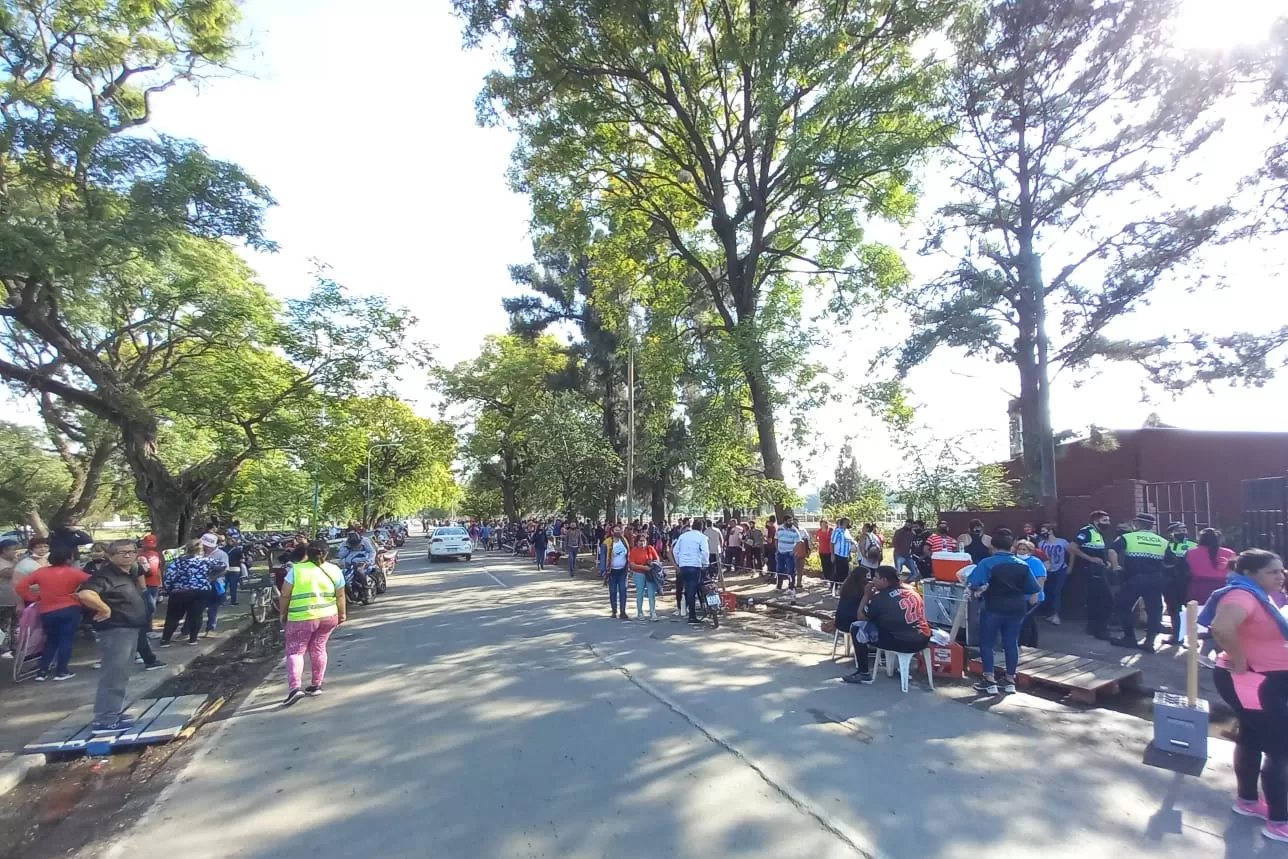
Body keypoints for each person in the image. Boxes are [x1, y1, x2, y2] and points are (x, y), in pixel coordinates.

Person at [1202, 549, 1288, 842]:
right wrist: (1239, 660)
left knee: (1251, 736)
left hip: (1263, 678)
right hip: (1254, 680)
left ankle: (1247, 802)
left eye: (1281, 570)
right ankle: (1279, 821)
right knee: (1280, 746)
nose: (1280, 576)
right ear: (1250, 574)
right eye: (1272, 572)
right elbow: (1221, 627)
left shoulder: (1259, 595)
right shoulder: (1242, 595)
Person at [75, 540, 150, 734]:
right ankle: (105, 720)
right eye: (122, 552)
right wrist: (104, 608)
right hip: (116, 630)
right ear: (110, 556)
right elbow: (85, 594)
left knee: (122, 673)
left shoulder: (129, 573)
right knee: (113, 674)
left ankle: (113, 712)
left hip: (130, 629)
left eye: (131, 552)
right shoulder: (106, 575)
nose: (127, 555)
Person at [967, 529, 1041, 696]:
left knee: (987, 643)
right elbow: (1033, 589)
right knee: (1011, 642)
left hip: (994, 607)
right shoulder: (1023, 564)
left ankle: (989, 680)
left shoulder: (988, 563)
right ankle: (1009, 680)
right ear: (1012, 547)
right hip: (1017, 608)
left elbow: (974, 582)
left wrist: (980, 589)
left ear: (992, 546)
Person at [280, 540, 347, 707]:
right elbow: (340, 596)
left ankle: (295, 688)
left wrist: (283, 613)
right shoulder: (335, 570)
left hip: (301, 618)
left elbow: (285, 595)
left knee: (296, 651)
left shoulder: (296, 570)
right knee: (318, 648)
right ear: (327, 553)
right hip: (328, 617)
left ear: (307, 553)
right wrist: (342, 614)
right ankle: (316, 684)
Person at [844, 566, 933, 685]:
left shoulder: (881, 598)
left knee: (857, 627)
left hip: (904, 642)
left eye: (876, 577)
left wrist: (866, 595)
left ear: (885, 580)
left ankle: (863, 672)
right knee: (893, 627)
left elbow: (861, 617)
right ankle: (896, 667)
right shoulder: (912, 589)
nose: (873, 580)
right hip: (923, 640)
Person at [15, 549, 90, 681]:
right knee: (66, 640)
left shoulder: (41, 572)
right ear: (68, 559)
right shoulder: (74, 572)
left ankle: (42, 671)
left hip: (47, 610)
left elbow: (20, 586)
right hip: (70, 608)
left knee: (51, 640)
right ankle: (61, 671)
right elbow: (94, 582)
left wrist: (34, 598)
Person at [1111, 513, 1168, 653]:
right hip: (1155, 580)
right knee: (1154, 611)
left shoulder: (1128, 537)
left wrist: (1115, 565)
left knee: (1123, 605)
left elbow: (1112, 549)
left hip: (1134, 579)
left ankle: (1129, 638)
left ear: (1137, 524)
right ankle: (1150, 642)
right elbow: (1171, 562)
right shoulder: (1162, 541)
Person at [1071, 510, 1116, 640]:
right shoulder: (1087, 531)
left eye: (1108, 520)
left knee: (1095, 601)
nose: (1108, 523)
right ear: (1096, 521)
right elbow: (1072, 547)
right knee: (1105, 600)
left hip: (1098, 570)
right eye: (1105, 520)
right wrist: (1091, 559)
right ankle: (1100, 628)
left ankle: (1094, 627)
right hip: (1090, 571)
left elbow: (1097, 553)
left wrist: (1104, 561)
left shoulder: (1098, 533)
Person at [160, 540, 214, 646]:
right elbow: (222, 565)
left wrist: (167, 589)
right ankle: (193, 639)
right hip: (200, 591)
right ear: (201, 550)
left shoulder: (177, 561)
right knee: (196, 615)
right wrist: (210, 578)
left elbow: (169, 576)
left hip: (179, 592)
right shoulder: (206, 561)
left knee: (173, 617)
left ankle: (165, 640)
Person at [1162, 522, 1198, 646]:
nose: (1181, 531)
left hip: (1188, 580)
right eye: (1177, 530)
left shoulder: (1192, 544)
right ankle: (1178, 636)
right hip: (1171, 581)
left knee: (1191, 610)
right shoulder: (1166, 544)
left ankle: (1194, 639)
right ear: (1170, 532)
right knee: (1174, 610)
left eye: (1183, 529)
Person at [669, 520, 708, 624]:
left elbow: (675, 550)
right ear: (702, 527)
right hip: (695, 566)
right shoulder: (702, 537)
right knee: (692, 590)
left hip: (683, 566)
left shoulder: (683, 536)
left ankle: (688, 610)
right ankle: (692, 616)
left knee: (688, 588)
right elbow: (705, 552)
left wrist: (678, 563)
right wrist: (705, 564)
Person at [1188, 528, 1237, 606]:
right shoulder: (1229, 553)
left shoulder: (1191, 553)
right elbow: (1234, 573)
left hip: (1198, 589)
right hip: (1223, 588)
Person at [1037, 524, 1070, 625]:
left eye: (1044, 530)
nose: (1043, 533)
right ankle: (1050, 613)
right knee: (1049, 592)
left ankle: (1056, 615)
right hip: (1047, 570)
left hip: (1061, 569)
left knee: (1057, 591)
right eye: (1041, 531)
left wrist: (1070, 567)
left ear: (1050, 531)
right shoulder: (1041, 543)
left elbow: (1071, 553)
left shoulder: (1062, 542)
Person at [200, 533, 230, 635]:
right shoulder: (199, 553)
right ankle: (189, 629)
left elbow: (225, 569)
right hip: (200, 584)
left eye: (206, 546)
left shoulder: (222, 555)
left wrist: (212, 578)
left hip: (215, 584)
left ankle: (210, 628)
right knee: (197, 607)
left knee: (213, 607)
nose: (204, 548)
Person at [628, 532, 660, 620]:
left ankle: (653, 612)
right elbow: (632, 565)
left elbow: (657, 559)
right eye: (640, 541)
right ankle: (640, 612)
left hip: (650, 573)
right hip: (639, 573)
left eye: (644, 541)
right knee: (640, 593)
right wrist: (643, 567)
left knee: (651, 593)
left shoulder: (650, 548)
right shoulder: (634, 550)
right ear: (637, 542)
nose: (642, 543)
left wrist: (651, 562)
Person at [0, 538, 22, 659]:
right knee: (3, 626)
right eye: (14, 550)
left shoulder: (13, 561)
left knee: (16, 625)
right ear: (4, 551)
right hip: (3, 601)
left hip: (15, 599)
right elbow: (8, 573)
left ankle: (15, 646)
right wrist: (18, 563)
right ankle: (3, 649)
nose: (16, 552)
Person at [604, 525, 630, 619]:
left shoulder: (624, 541)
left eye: (619, 530)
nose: (618, 532)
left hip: (623, 570)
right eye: (616, 530)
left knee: (623, 590)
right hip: (612, 571)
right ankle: (614, 610)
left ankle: (623, 612)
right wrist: (604, 570)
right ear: (612, 532)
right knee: (613, 591)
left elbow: (628, 552)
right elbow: (603, 556)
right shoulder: (607, 542)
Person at [774, 516, 803, 594]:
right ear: (784, 521)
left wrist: (793, 551)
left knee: (791, 571)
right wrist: (777, 549)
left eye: (791, 521)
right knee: (779, 570)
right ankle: (779, 586)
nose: (791, 522)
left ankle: (791, 587)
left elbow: (799, 542)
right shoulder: (779, 528)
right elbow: (776, 539)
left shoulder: (794, 530)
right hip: (780, 553)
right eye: (789, 521)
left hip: (789, 553)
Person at [830, 517, 854, 592]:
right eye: (846, 522)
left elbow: (849, 543)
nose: (847, 524)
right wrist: (832, 554)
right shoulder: (837, 531)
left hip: (845, 555)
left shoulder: (847, 531)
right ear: (843, 523)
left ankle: (842, 589)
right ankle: (834, 587)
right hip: (838, 555)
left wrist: (849, 554)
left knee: (845, 572)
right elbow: (832, 543)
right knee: (838, 572)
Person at [224, 534, 246, 606]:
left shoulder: (222, 549)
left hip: (225, 569)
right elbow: (242, 560)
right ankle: (233, 601)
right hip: (235, 569)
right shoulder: (238, 550)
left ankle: (221, 600)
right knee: (233, 586)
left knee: (224, 585)